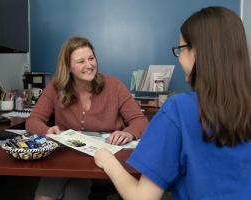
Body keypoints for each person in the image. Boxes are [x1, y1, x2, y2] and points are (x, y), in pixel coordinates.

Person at [94, 6, 251, 200]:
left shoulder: (178, 110)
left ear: (199, 52)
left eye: (181, 49)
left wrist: (108, 160)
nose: (179, 59)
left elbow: (142, 197)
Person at [26, 36, 148, 200]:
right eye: (81, 61)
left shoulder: (114, 86)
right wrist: (47, 130)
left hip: (104, 160)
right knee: (44, 196)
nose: (89, 65)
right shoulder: (56, 87)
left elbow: (140, 121)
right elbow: (32, 121)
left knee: (73, 195)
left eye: (91, 58)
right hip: (67, 158)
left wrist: (129, 133)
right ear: (68, 67)